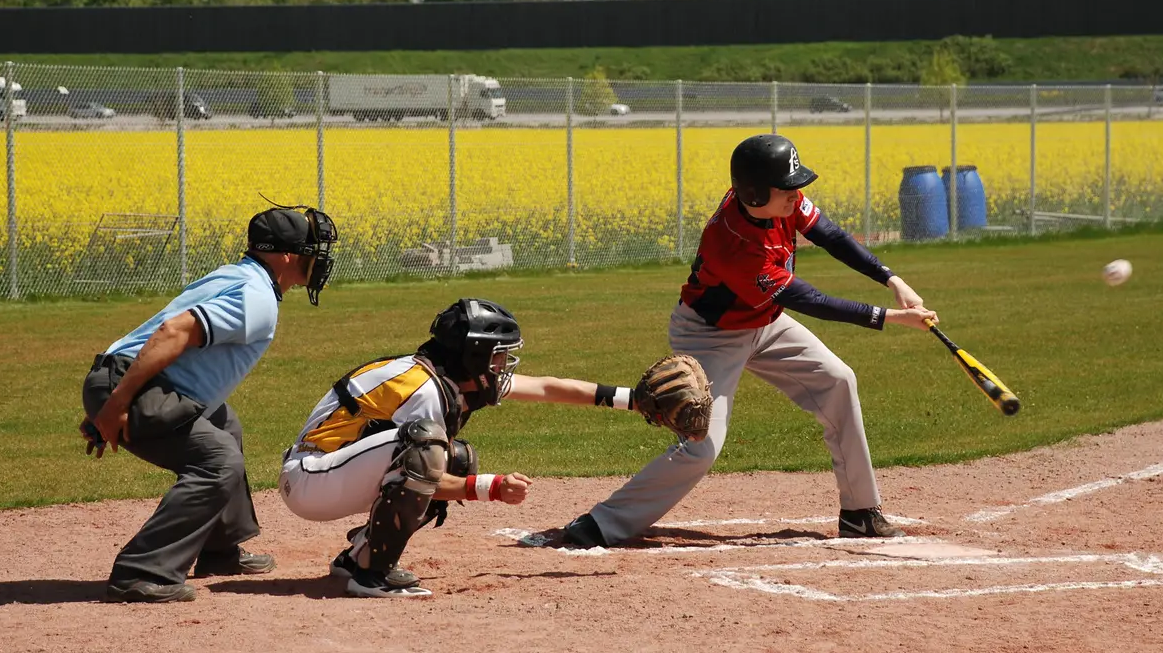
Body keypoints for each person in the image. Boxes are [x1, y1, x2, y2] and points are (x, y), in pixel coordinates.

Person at [562, 133, 938, 549]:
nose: (798, 195)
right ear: (756, 193)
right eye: (788, 188)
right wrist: (889, 318)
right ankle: (601, 523)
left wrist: (891, 279)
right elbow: (808, 299)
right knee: (701, 446)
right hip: (711, 337)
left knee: (838, 379)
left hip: (764, 322)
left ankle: (860, 512)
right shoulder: (735, 243)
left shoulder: (775, 203)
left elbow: (831, 235)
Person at [278, 297, 659, 597]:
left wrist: (632, 399)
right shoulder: (425, 389)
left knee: (453, 457)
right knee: (428, 449)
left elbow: (545, 386)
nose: (503, 364)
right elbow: (425, 472)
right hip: (312, 479)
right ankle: (371, 575)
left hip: (334, 474)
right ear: (473, 356)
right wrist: (491, 488)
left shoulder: (449, 377)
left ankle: (358, 557)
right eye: (497, 355)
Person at [80, 204, 337, 603]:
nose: (316, 259)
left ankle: (220, 549)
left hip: (128, 379)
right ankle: (140, 571)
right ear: (287, 257)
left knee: (223, 424)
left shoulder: (239, 275)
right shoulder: (257, 297)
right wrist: (115, 403)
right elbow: (172, 331)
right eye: (310, 249)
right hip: (133, 386)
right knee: (218, 461)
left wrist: (109, 394)